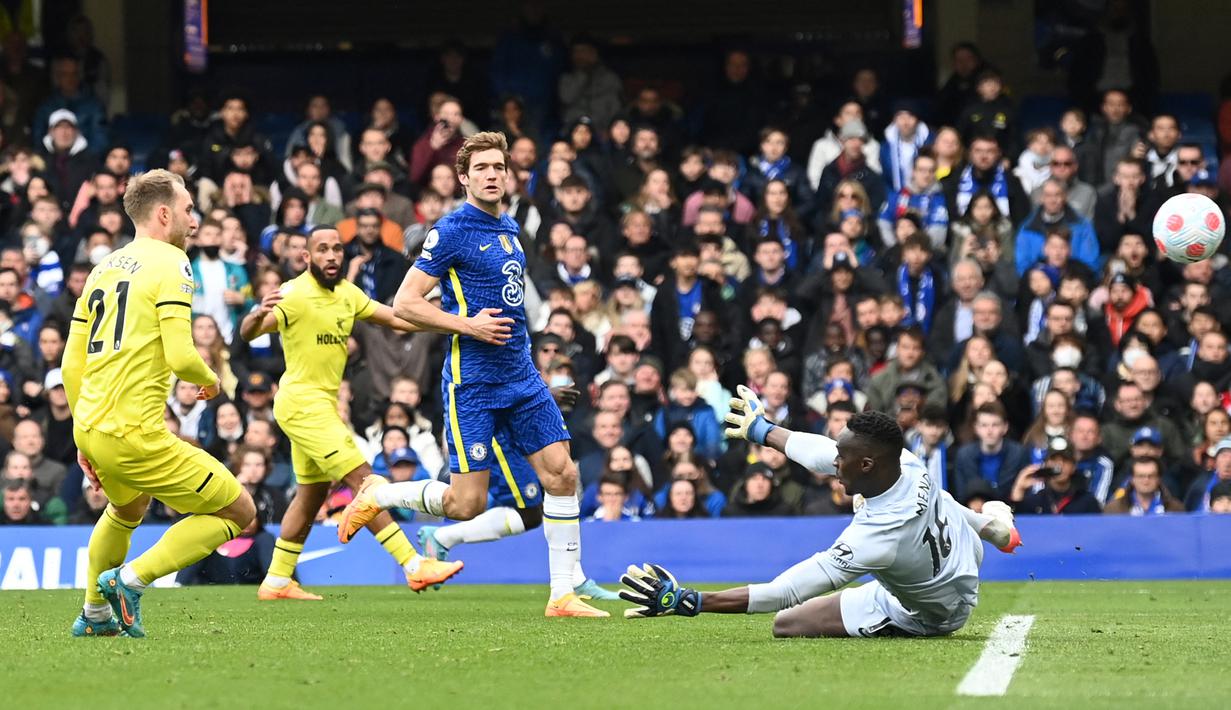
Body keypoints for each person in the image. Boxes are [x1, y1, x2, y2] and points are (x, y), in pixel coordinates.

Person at [337, 132, 607, 618]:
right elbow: (406, 302)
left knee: (563, 475)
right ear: (464, 177)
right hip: (474, 383)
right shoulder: (452, 229)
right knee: (466, 504)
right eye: (481, 168)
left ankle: (562, 594)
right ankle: (378, 493)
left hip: (521, 376)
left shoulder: (509, 229)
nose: (491, 175)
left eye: (498, 167)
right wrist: (468, 325)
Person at [617, 392, 1019, 638]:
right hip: (965, 556)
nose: (834, 464)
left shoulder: (874, 538)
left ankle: (897, 621)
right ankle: (994, 526)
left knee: (787, 624)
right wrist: (762, 430)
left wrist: (691, 600)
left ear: (865, 465)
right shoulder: (906, 461)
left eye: (841, 460)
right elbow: (818, 451)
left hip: (938, 613)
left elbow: (783, 592)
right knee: (929, 502)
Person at [63, 169, 257, 638]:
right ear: (164, 213)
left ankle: (93, 614)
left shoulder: (103, 267)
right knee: (240, 512)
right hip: (134, 433)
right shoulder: (172, 263)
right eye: (189, 210)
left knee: (127, 510)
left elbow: (72, 365)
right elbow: (182, 355)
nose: (195, 221)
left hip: (91, 426)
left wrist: (81, 437)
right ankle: (129, 581)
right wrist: (211, 380)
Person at [238, 226, 454, 599]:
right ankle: (414, 565)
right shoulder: (293, 294)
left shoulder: (348, 294)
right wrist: (257, 314)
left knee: (311, 493)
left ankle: (276, 581)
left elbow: (397, 319)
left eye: (337, 248)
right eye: (322, 249)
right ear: (307, 257)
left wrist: (452, 321)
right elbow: (247, 332)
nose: (332, 255)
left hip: (321, 406)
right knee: (366, 482)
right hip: (302, 404)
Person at [415, 396, 621, 601]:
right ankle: (388, 498)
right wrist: (542, 394)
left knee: (540, 503)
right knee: (487, 506)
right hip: (495, 429)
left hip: (514, 423)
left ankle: (574, 582)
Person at [1103, 456, 1184, 515]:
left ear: (1158, 479)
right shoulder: (1113, 509)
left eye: (1151, 476)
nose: (1146, 480)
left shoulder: (1176, 508)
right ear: (1132, 479)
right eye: (1140, 476)